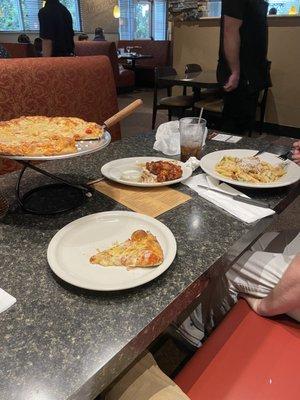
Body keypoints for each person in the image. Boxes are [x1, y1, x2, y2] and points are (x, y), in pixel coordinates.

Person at [218, 0, 269, 134]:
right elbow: (230, 32)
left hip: (252, 73)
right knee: (233, 129)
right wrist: (235, 72)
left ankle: (238, 154)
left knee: (244, 125)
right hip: (240, 74)